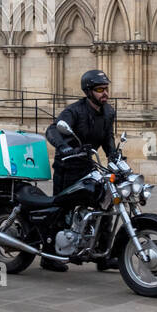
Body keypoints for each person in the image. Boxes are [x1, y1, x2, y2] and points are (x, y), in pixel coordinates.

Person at [42, 69, 119, 273]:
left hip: (88, 167)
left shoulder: (109, 112)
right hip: (68, 167)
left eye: (106, 89)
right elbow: (52, 130)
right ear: (88, 91)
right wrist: (64, 147)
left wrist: (114, 157)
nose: (105, 93)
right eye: (100, 89)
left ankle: (103, 256)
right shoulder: (74, 111)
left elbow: (107, 139)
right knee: (61, 211)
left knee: (105, 205)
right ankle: (49, 256)